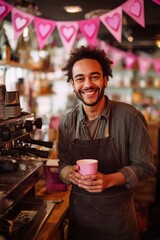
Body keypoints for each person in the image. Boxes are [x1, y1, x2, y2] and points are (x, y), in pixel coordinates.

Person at [58, 46, 156, 240]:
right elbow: (62, 164)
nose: (88, 84)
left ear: (105, 79)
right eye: (80, 78)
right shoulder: (66, 122)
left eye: (94, 77)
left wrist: (110, 180)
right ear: (72, 84)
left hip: (118, 221)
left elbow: (146, 165)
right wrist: (69, 173)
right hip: (80, 218)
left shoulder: (130, 116)